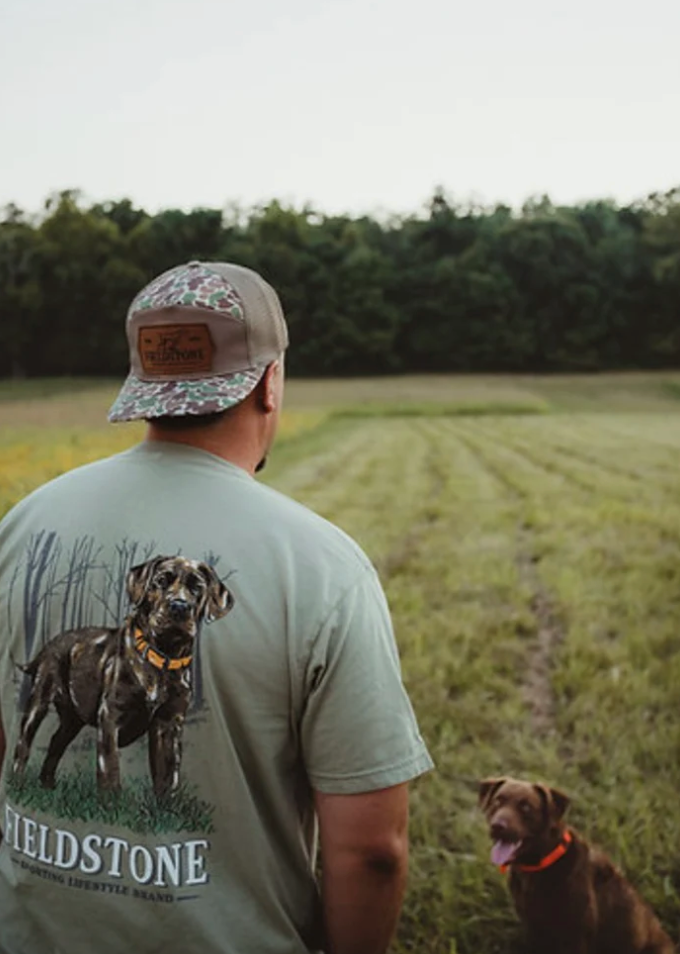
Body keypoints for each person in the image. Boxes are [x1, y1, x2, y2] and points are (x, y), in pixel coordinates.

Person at [0, 260, 433, 954]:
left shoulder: (22, 523)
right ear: (269, 383)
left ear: (142, 384)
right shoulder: (322, 566)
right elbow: (371, 851)